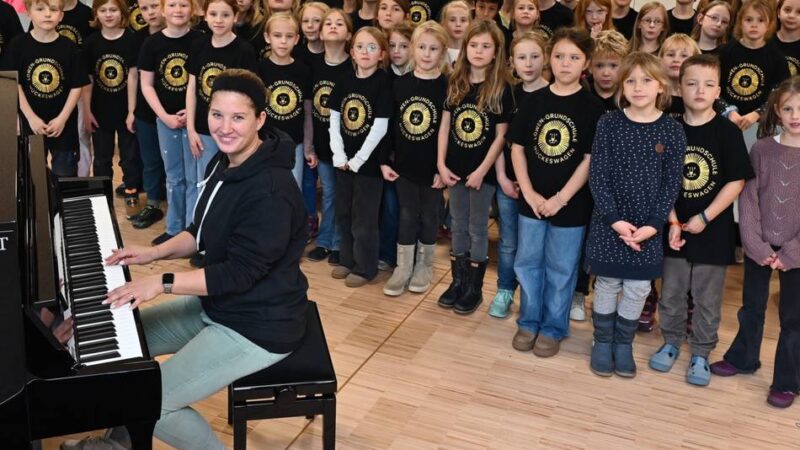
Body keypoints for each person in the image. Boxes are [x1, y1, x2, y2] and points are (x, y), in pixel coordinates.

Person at [63, 68, 309, 450]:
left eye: (238, 117)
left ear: (261, 119)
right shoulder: (226, 161)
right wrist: (152, 253)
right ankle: (119, 442)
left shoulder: (271, 191)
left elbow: (238, 275)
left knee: (154, 403)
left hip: (258, 325)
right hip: (220, 307)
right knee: (120, 351)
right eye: (217, 115)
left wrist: (160, 282)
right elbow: (200, 230)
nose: (224, 127)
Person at [648, 54, 753, 387]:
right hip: (673, 227)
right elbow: (660, 179)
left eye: (708, 85)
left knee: (707, 297)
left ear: (718, 90)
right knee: (672, 291)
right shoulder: (669, 127)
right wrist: (674, 220)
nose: (699, 91)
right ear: (679, 87)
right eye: (691, 84)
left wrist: (705, 217)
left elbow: (736, 181)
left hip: (713, 229)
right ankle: (671, 341)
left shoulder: (727, 131)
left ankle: (701, 352)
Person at [585, 51, 685, 378]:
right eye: (630, 80)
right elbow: (597, 174)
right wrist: (613, 219)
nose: (638, 87)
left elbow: (672, 182)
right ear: (621, 86)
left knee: (638, 288)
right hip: (609, 221)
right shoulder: (609, 122)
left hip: (648, 227)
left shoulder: (671, 129)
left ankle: (623, 343)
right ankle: (602, 341)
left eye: (646, 80)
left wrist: (655, 224)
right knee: (608, 283)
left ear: (661, 85)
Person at [507, 27, 604, 356]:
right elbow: (517, 148)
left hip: (571, 204)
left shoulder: (593, 108)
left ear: (585, 63)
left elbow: (589, 160)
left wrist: (561, 198)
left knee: (562, 267)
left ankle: (552, 326)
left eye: (574, 58)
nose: (565, 63)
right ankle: (528, 320)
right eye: (559, 56)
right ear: (550, 59)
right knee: (527, 261)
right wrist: (531, 194)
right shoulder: (534, 101)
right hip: (532, 201)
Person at [710, 76, 800, 409]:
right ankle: (744, 357)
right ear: (776, 110)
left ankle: (788, 380)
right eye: (788, 108)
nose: (795, 115)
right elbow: (748, 201)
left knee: (793, 318)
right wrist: (758, 246)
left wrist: (791, 252)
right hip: (760, 244)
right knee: (752, 307)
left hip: (797, 251)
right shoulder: (762, 149)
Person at [437, 19, 513, 315]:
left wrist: (483, 170)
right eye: (473, 45)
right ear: (465, 49)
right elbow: (444, 127)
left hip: (483, 173)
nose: (479, 51)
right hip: (454, 169)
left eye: (486, 47)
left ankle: (474, 287)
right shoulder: (455, 83)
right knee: (456, 224)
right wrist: (441, 164)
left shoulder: (501, 89)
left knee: (477, 228)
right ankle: (457, 281)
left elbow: (501, 136)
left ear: (495, 53)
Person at [186, 0, 258, 266]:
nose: (218, 19)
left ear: (235, 17)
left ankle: (225, 243)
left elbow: (248, 96)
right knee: (204, 186)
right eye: (213, 14)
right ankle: (201, 241)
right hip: (204, 131)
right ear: (205, 16)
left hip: (231, 133)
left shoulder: (244, 50)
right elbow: (192, 89)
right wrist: (192, 128)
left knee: (228, 188)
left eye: (225, 14)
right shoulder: (198, 46)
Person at [382, 20, 448, 297]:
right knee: (407, 214)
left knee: (430, 215)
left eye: (433, 48)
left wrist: (443, 169)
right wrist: (385, 160)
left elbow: (451, 132)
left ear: (442, 53)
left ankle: (424, 264)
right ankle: (403, 265)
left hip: (433, 167)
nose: (426, 53)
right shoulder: (400, 85)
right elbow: (389, 125)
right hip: (404, 166)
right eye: (421, 47)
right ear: (412, 49)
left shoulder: (447, 86)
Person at [487, 29, 548, 319]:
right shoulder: (508, 94)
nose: (529, 63)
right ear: (511, 61)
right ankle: (505, 289)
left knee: (536, 247)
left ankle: (534, 296)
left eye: (535, 56)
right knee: (510, 241)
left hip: (542, 187)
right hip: (509, 182)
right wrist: (501, 176)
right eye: (522, 57)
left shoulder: (553, 94)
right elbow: (501, 140)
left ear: (545, 59)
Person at [328, 26, 392, 287]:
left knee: (364, 218)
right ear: (351, 52)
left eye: (372, 47)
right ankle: (347, 258)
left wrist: (358, 160)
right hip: (343, 162)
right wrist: (339, 154)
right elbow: (334, 118)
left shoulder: (382, 82)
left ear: (382, 54)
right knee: (344, 212)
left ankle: (365, 267)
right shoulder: (344, 79)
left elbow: (380, 126)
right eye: (360, 47)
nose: (365, 52)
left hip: (367, 165)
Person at [138, 0, 202, 245]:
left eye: (183, 4)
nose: (178, 10)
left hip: (195, 120)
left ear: (192, 9)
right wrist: (164, 116)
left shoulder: (200, 41)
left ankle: (192, 230)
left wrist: (192, 112)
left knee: (194, 177)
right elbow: (146, 84)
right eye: (172, 4)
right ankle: (174, 229)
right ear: (163, 10)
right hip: (165, 120)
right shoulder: (152, 43)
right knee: (174, 176)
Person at [3, 0, 89, 178]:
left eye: (53, 9)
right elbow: (14, 83)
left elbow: (76, 86)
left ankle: (61, 207)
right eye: (40, 9)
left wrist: (62, 119)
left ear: (61, 15)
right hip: (32, 124)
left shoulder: (70, 48)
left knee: (64, 176)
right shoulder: (17, 45)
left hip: (63, 126)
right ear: (28, 12)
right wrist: (30, 117)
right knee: (33, 177)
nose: (47, 14)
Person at [83, 0, 141, 217]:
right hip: (99, 111)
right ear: (96, 14)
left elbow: (134, 76)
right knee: (102, 157)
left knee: (129, 157)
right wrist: (87, 111)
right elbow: (87, 80)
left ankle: (131, 192)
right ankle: (102, 196)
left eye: (113, 10)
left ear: (122, 13)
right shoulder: (91, 43)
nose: (108, 15)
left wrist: (131, 111)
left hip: (125, 110)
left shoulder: (132, 40)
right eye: (103, 10)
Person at [305, 8, 353, 265]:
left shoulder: (353, 67)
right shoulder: (313, 66)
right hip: (323, 144)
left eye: (340, 23)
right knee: (330, 193)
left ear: (349, 34)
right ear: (321, 33)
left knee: (344, 194)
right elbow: (310, 110)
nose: (333, 27)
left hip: (348, 146)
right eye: (328, 24)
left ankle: (340, 242)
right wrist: (310, 145)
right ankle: (325, 241)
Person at [255, 12, 316, 188]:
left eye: (289, 36)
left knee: (291, 188)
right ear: (267, 37)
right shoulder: (260, 69)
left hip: (294, 143)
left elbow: (307, 113)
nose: (283, 41)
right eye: (277, 35)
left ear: (297, 39)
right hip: (265, 142)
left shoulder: (303, 71)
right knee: (265, 187)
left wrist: (308, 146)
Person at [128, 0, 167, 231]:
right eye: (145, 8)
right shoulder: (138, 39)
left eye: (155, 6)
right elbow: (133, 76)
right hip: (146, 110)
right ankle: (153, 203)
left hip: (177, 111)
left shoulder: (190, 37)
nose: (150, 12)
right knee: (150, 160)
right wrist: (132, 110)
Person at [440, 0, 470, 67]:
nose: (458, 24)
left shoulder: (473, 52)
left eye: (463, 20)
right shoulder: (438, 52)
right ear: (444, 24)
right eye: (452, 20)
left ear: (470, 24)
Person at [774, 0, 800, 76]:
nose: (792, 16)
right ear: (778, 13)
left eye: (799, 12)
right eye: (787, 10)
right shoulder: (766, 41)